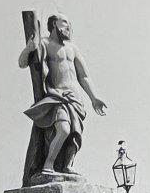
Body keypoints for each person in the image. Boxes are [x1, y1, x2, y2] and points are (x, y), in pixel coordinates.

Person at [18, 13, 107, 177]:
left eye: (69, 24)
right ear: (53, 25)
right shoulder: (44, 44)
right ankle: (48, 166)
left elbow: (84, 76)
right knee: (64, 129)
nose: (68, 27)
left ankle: (67, 166)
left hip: (75, 99)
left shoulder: (73, 48)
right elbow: (22, 63)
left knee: (75, 133)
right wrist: (29, 49)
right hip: (58, 96)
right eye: (64, 23)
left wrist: (94, 98)